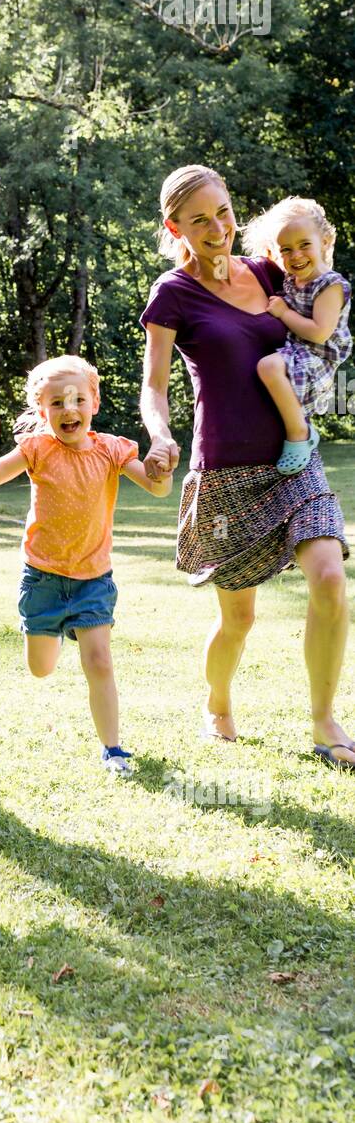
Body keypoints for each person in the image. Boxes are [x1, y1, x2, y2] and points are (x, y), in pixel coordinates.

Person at [140, 164, 354, 769]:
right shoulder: (173, 293)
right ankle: (218, 702)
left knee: (330, 577)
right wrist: (159, 435)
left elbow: (325, 315)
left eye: (225, 212)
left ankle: (323, 720)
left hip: (293, 459)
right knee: (238, 618)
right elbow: (153, 386)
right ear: (174, 226)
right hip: (226, 471)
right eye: (200, 219)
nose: (217, 228)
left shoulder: (268, 271)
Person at [0, 355, 172, 775]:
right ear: (42, 410)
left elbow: (157, 488)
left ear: (93, 403)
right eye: (57, 403)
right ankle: (57, 629)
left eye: (78, 399)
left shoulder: (112, 450)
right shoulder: (36, 449)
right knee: (40, 669)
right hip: (42, 577)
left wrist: (163, 464)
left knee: (99, 661)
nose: (69, 409)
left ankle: (113, 749)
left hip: (92, 578)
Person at [240, 196, 351, 475]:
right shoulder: (292, 278)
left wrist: (283, 313)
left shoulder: (330, 284)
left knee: (268, 366)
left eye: (304, 245)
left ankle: (300, 433)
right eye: (286, 250)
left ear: (324, 241)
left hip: (319, 355)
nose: (296, 255)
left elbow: (320, 333)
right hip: (299, 350)